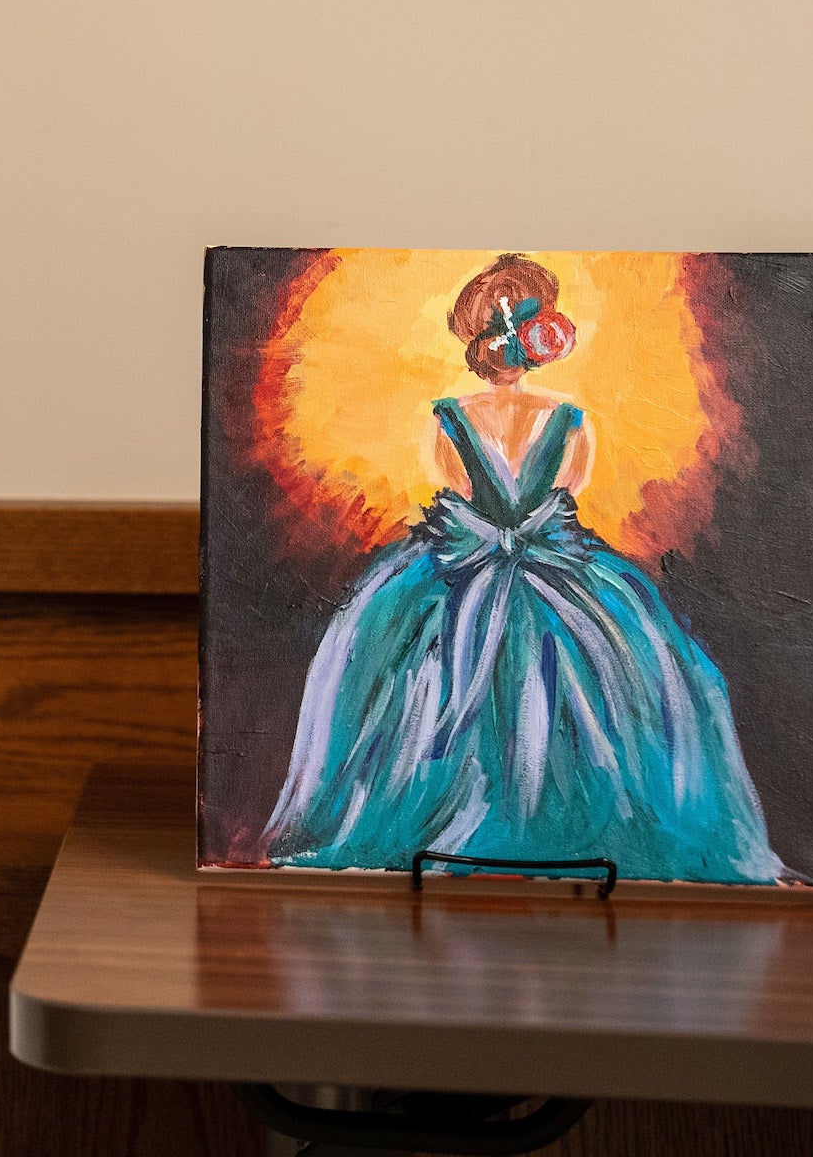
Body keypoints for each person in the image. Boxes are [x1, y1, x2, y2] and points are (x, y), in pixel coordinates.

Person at [262, 254, 780, 884]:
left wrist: (496, 531)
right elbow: (567, 494)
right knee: (631, 687)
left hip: (461, 565)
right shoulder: (570, 422)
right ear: (540, 337)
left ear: (475, 338)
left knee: (396, 679)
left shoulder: (448, 419)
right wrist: (522, 530)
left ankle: (430, 825)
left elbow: (454, 493)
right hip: (555, 569)